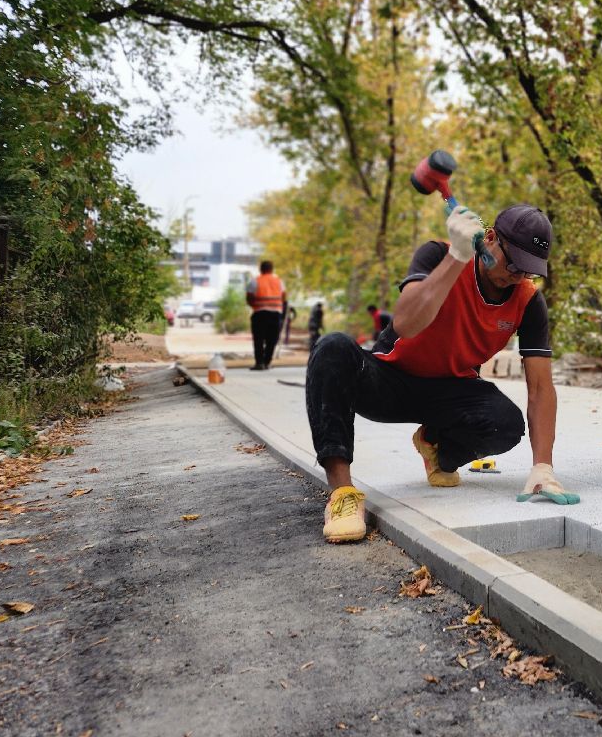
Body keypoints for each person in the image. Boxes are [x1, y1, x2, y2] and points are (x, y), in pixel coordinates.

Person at [307, 204, 577, 543]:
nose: (518, 276)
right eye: (513, 264)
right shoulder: (438, 254)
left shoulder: (528, 302)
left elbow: (540, 387)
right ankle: (343, 494)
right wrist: (457, 258)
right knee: (331, 348)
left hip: (451, 392)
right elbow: (405, 323)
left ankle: (434, 445)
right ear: (490, 239)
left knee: (505, 423)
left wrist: (543, 466)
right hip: (390, 380)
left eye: (529, 271)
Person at [246, 260, 287, 372]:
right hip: (275, 314)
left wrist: (255, 305)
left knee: (258, 339)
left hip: (259, 314)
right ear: (272, 269)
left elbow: (249, 298)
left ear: (261, 269)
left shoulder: (255, 281)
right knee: (272, 339)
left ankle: (259, 363)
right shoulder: (279, 281)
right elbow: (283, 297)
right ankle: (267, 362)